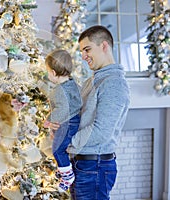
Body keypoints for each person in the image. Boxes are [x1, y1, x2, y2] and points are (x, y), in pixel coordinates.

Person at [66, 25, 131, 199]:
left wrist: (68, 142)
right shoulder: (91, 81)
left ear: (104, 46)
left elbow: (101, 131)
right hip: (83, 164)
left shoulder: (114, 83)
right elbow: (78, 118)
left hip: (95, 166)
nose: (83, 56)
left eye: (87, 49)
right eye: (81, 51)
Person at [43, 49, 82, 193]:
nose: (48, 75)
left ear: (53, 73)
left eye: (48, 72)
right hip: (75, 120)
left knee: (58, 150)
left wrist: (48, 120)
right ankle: (64, 169)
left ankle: (67, 176)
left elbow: (62, 109)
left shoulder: (58, 90)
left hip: (67, 123)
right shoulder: (74, 84)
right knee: (61, 148)